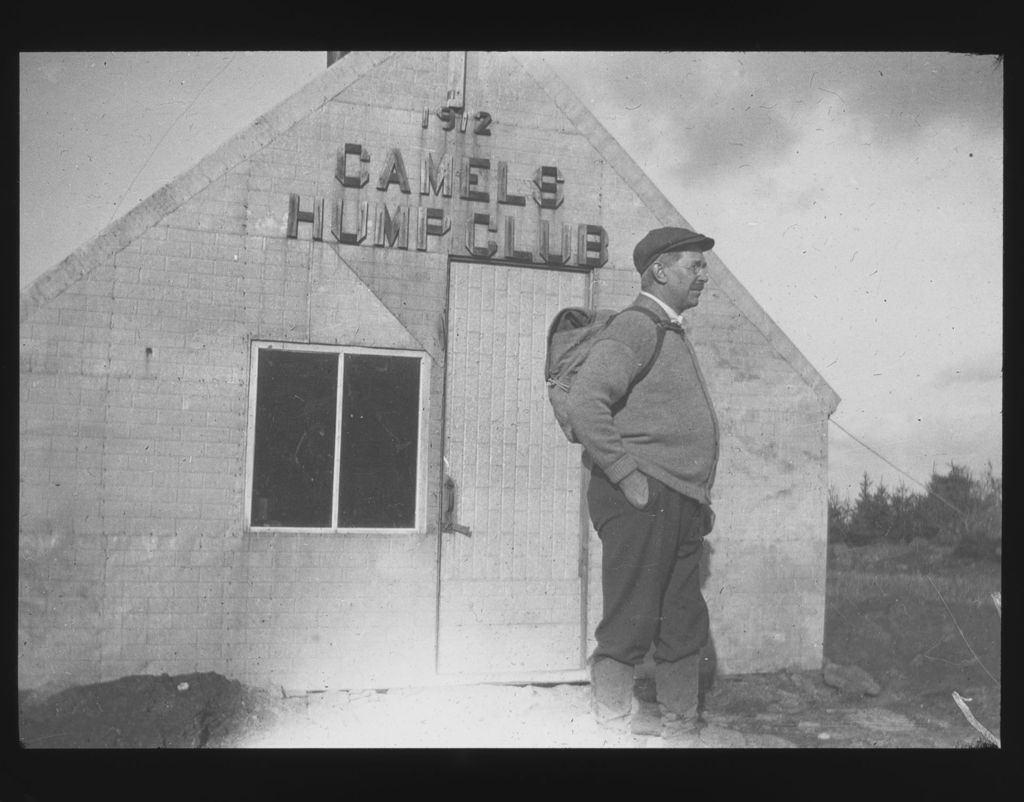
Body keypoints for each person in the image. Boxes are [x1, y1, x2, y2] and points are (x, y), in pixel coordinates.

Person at [565, 226, 719, 746]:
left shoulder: (669, 330)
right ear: (659, 270)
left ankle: (680, 729)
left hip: (677, 498)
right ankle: (609, 730)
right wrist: (631, 479)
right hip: (642, 497)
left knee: (681, 622)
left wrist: (697, 496)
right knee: (630, 620)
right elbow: (587, 403)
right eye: (693, 265)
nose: (703, 274)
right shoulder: (637, 327)